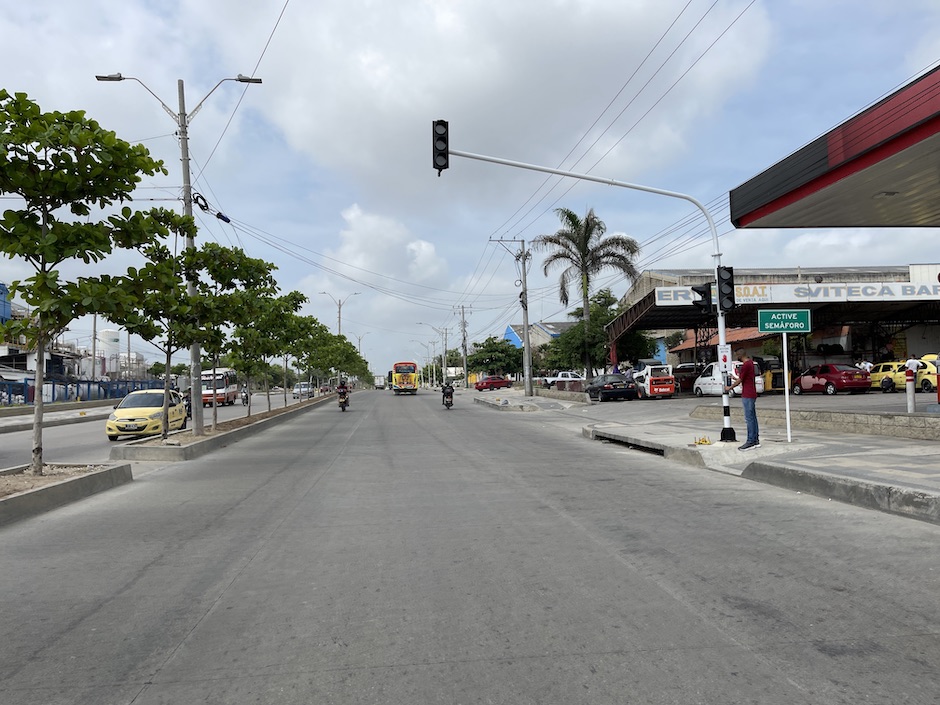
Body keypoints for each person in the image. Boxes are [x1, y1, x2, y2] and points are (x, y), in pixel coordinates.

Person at [725, 349, 759, 451]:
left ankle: (750, 441)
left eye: (736, 355)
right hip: (752, 393)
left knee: (749, 419)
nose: (736, 358)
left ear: (740, 355)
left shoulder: (745, 365)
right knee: (753, 418)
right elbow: (744, 379)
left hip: (747, 394)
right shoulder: (751, 363)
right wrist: (735, 378)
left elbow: (741, 380)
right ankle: (756, 440)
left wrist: (729, 388)